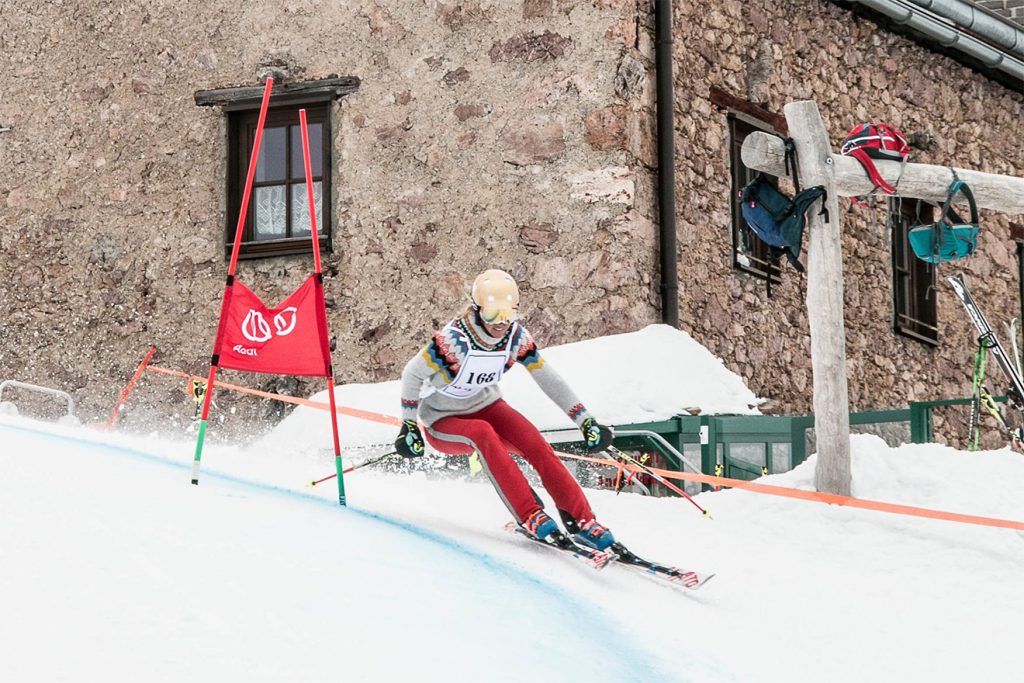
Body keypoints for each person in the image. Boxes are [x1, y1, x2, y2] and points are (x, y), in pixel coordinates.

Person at [394, 268, 617, 551]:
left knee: (532, 439)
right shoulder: (453, 341)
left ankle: (582, 519)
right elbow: (412, 374)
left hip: (487, 405)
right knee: (481, 432)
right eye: (491, 314)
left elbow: (548, 378)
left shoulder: (515, 338)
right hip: (443, 420)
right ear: (477, 310)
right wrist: (409, 425)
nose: (500, 323)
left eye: (508, 314)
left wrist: (585, 421)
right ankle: (529, 514)